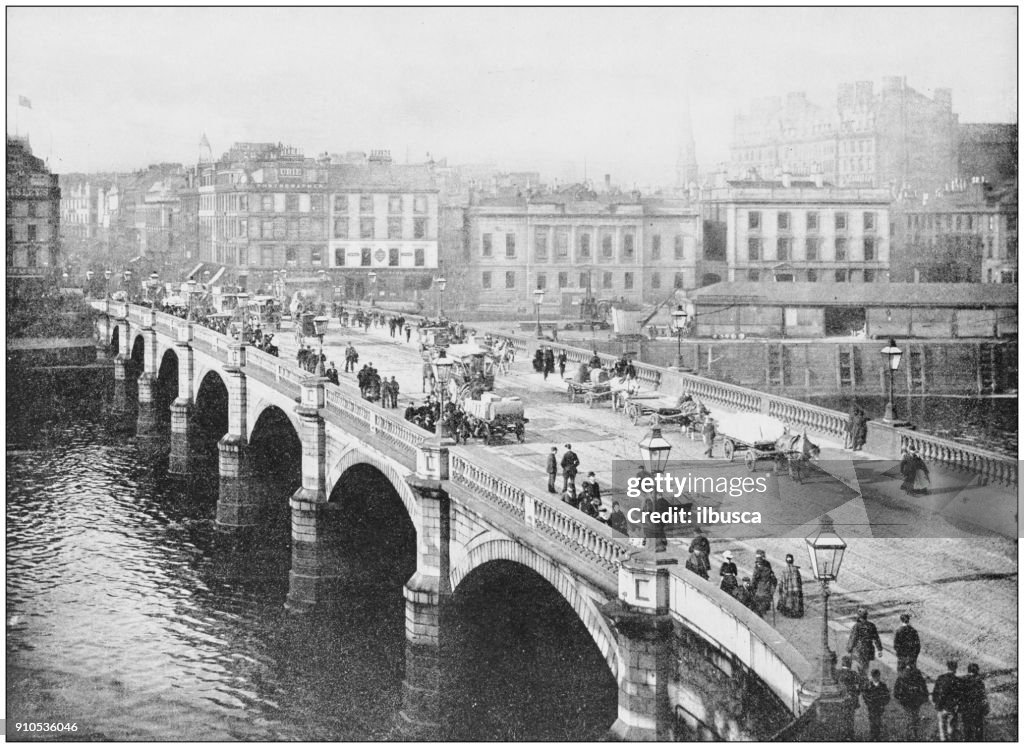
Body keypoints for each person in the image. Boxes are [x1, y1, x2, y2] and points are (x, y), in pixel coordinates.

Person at [894, 663, 930, 740]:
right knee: (912, 718)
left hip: (913, 702)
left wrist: (923, 698)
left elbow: (924, 689)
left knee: (912, 718)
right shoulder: (904, 677)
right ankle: (911, 735)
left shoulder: (908, 676)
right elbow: (896, 692)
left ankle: (912, 734)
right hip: (909, 702)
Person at [847, 608, 884, 676]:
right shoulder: (871, 625)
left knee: (859, 668)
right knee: (866, 667)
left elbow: (853, 638)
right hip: (868, 649)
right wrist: (879, 650)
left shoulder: (856, 626)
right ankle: (864, 680)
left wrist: (849, 649)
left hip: (858, 650)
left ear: (858, 617)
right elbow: (876, 638)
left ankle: (861, 681)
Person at [835, 655, 864, 740]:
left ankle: (842, 736)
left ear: (842, 663)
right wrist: (857, 692)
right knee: (850, 718)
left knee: (841, 717)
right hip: (851, 700)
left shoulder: (838, 673)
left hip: (840, 699)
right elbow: (862, 684)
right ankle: (849, 736)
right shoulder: (854, 674)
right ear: (850, 664)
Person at [932, 659, 961, 741]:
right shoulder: (957, 680)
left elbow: (935, 693)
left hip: (940, 708)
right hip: (951, 708)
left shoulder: (940, 678)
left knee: (942, 730)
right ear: (956, 668)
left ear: (947, 667)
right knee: (951, 729)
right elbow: (960, 696)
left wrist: (936, 703)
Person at [959, 663, 989, 741]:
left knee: (967, 731)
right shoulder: (979, 682)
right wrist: (986, 708)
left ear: (968, 671)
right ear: (977, 671)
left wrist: (959, 707)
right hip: (977, 710)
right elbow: (983, 697)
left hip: (966, 710)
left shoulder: (962, 681)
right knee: (979, 732)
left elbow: (959, 696)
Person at [862, 668, 891, 741]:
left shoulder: (883, 685)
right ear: (872, 676)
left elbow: (887, 696)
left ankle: (877, 736)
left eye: (877, 676)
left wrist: (883, 704)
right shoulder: (868, 685)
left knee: (878, 721)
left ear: (879, 676)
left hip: (879, 707)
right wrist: (868, 703)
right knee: (872, 722)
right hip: (871, 707)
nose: (876, 678)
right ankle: (873, 735)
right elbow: (865, 696)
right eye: (874, 676)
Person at [750, 550, 777, 619]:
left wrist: (752, 588)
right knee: (764, 603)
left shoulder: (757, 568)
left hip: (761, 589)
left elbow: (754, 580)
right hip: (767, 588)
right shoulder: (767, 564)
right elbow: (773, 577)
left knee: (759, 604)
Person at [776, 554, 804, 618]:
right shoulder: (796, 570)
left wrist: (780, 590)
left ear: (786, 561)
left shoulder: (784, 571)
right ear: (793, 561)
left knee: (788, 601)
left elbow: (781, 582)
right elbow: (799, 581)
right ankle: (796, 613)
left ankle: (789, 613)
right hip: (796, 590)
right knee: (796, 601)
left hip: (788, 590)